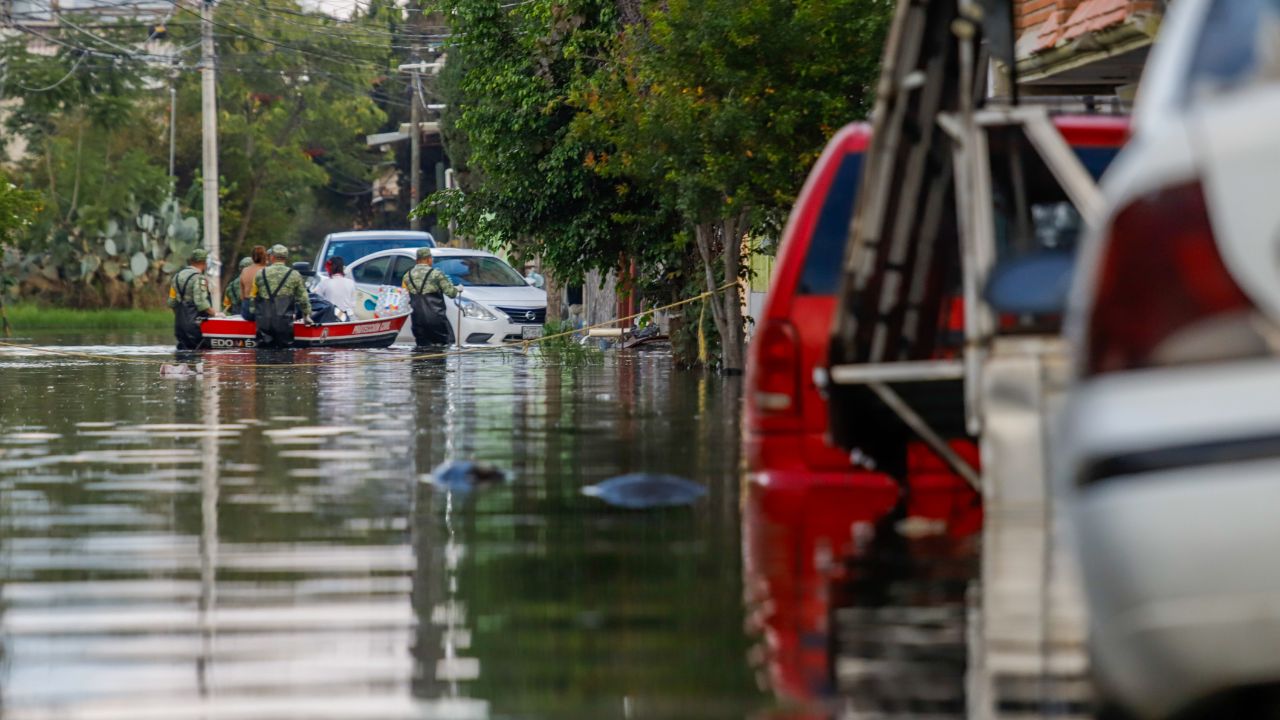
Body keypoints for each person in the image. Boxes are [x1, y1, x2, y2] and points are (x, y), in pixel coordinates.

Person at [252, 244, 312, 349]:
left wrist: (253, 313)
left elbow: (253, 296)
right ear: (286, 258)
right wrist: (306, 316)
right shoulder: (294, 275)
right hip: (284, 324)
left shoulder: (260, 274)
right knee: (285, 355)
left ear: (272, 257)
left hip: (264, 323)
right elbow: (303, 298)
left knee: (263, 355)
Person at [401, 247, 462, 346]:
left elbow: (403, 297)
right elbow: (451, 293)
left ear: (417, 261)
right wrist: (458, 289)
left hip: (417, 322)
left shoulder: (407, 276)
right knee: (441, 352)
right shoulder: (436, 274)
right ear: (429, 259)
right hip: (437, 321)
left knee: (421, 352)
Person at [168, 248, 216, 350]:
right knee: (197, 358)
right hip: (195, 327)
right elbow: (201, 303)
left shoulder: (176, 276)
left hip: (179, 326)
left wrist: (182, 318)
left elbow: (172, 302)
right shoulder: (199, 278)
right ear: (204, 262)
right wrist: (216, 314)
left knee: (182, 359)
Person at [315, 256, 358, 320]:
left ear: (329, 268)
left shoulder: (324, 284)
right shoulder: (351, 283)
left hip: (331, 317)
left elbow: (317, 301)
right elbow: (353, 304)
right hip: (349, 317)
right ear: (342, 268)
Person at [238, 245, 268, 320]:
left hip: (246, 311)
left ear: (252, 257)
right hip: (263, 310)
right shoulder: (267, 271)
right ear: (265, 256)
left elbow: (241, 296)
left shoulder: (244, 270)